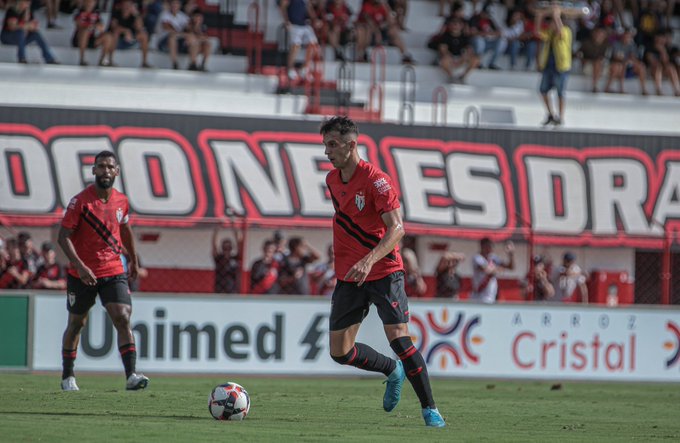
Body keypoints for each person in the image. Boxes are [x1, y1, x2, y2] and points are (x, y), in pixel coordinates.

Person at [321, 115, 445, 428]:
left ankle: (430, 410)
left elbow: (398, 229)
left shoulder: (377, 180)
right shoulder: (332, 181)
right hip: (350, 275)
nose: (327, 151)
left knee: (401, 341)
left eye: (332, 144)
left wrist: (368, 260)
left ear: (352, 144)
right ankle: (391, 370)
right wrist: (353, 262)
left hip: (385, 271)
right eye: (325, 145)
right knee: (340, 353)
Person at [57, 150, 149, 392]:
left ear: (116, 171)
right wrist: (80, 265)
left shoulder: (122, 201)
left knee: (123, 316)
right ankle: (68, 376)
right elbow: (63, 237)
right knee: (76, 324)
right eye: (101, 167)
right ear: (93, 171)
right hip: (82, 274)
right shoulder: (80, 202)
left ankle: (131, 375)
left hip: (113, 269)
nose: (105, 171)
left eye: (110, 167)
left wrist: (134, 261)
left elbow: (126, 230)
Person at [536, 5, 572, 126]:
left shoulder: (566, 31)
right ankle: (551, 114)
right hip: (548, 66)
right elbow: (537, 32)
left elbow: (560, 31)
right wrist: (539, 16)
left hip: (560, 67)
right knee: (543, 90)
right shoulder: (549, 33)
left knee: (560, 92)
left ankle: (560, 117)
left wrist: (556, 14)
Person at [0, 0, 59, 64]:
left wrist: (27, 16)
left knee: (36, 34)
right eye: (25, 2)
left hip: (21, 38)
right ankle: (22, 58)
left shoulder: (28, 12)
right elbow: (12, 27)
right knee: (20, 32)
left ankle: (49, 58)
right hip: (8, 37)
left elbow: (34, 26)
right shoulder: (13, 10)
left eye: (28, 2)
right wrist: (25, 26)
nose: (27, 4)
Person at [279, 0, 321, 82]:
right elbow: (283, 6)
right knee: (295, 45)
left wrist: (315, 19)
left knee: (314, 46)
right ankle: (290, 68)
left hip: (305, 24)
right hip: (294, 24)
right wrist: (286, 21)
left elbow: (309, 7)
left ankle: (304, 68)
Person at [430, 16, 479, 84]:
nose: (456, 26)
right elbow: (443, 50)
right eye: (454, 24)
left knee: (475, 59)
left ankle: (462, 77)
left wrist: (463, 58)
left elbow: (469, 49)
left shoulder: (465, 37)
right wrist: (451, 58)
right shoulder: (445, 36)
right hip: (449, 57)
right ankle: (451, 77)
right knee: (444, 60)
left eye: (458, 24)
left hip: (461, 57)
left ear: (461, 26)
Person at [106, 0, 152, 68]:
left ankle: (144, 63)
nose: (126, 6)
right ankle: (110, 60)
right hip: (118, 42)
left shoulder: (134, 15)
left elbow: (140, 28)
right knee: (115, 33)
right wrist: (126, 31)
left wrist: (136, 14)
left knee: (144, 35)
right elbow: (114, 27)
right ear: (121, 5)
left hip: (131, 40)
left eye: (129, 5)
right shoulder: (116, 13)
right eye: (125, 4)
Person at [604, 28, 648, 95]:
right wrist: (626, 59)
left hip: (630, 66)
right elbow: (616, 57)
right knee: (621, 65)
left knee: (641, 67)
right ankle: (617, 88)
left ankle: (643, 89)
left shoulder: (632, 45)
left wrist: (630, 60)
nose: (626, 38)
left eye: (628, 37)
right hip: (618, 65)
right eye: (625, 36)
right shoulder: (616, 44)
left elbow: (634, 57)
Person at [471, 237, 514, 303]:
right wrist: (499, 269)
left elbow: (510, 267)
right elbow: (487, 270)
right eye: (488, 246)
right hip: (479, 296)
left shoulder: (493, 257)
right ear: (482, 246)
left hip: (491, 295)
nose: (491, 248)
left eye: (491, 246)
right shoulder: (477, 258)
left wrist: (511, 255)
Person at [71, 0, 111, 66]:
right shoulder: (79, 13)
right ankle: (82, 59)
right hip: (78, 40)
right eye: (88, 2)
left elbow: (102, 28)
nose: (90, 4)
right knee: (85, 31)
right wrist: (90, 26)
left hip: (91, 39)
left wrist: (97, 26)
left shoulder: (96, 14)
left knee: (108, 37)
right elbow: (78, 25)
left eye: (92, 2)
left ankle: (102, 60)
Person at [212, 215, 242, 294]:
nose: (227, 249)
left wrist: (234, 226)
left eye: (228, 247)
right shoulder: (219, 258)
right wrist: (217, 230)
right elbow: (214, 245)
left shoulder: (235, 258)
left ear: (231, 248)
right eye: (225, 247)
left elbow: (239, 243)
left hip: (233, 290)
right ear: (222, 248)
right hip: (219, 289)